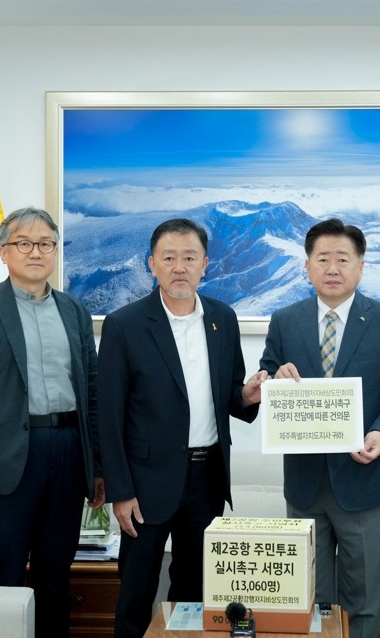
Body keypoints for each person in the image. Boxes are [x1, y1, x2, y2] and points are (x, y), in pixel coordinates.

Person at [99, 218, 267, 638]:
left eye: (189, 258)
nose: (179, 267)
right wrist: (120, 492)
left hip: (206, 478)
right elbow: (108, 415)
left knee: (194, 596)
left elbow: (229, 394)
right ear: (151, 264)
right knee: (136, 595)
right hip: (145, 483)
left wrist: (247, 396)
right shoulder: (125, 325)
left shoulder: (223, 319)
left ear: (205, 265)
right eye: (169, 258)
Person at [0, 207, 105, 637]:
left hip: (69, 452)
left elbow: (91, 393)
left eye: (46, 244)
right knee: (4, 571)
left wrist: (97, 468)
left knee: (56, 574)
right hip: (6, 461)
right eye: (24, 243)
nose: (35, 252)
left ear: (56, 252)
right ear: (3, 251)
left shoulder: (74, 311)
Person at [259, 218, 380, 638]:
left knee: (364, 600)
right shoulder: (284, 320)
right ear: (307, 266)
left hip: (363, 483)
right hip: (304, 484)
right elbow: (266, 375)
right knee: (309, 599)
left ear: (360, 266)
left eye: (342, 259)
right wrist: (272, 379)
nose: (333, 268)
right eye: (323, 259)